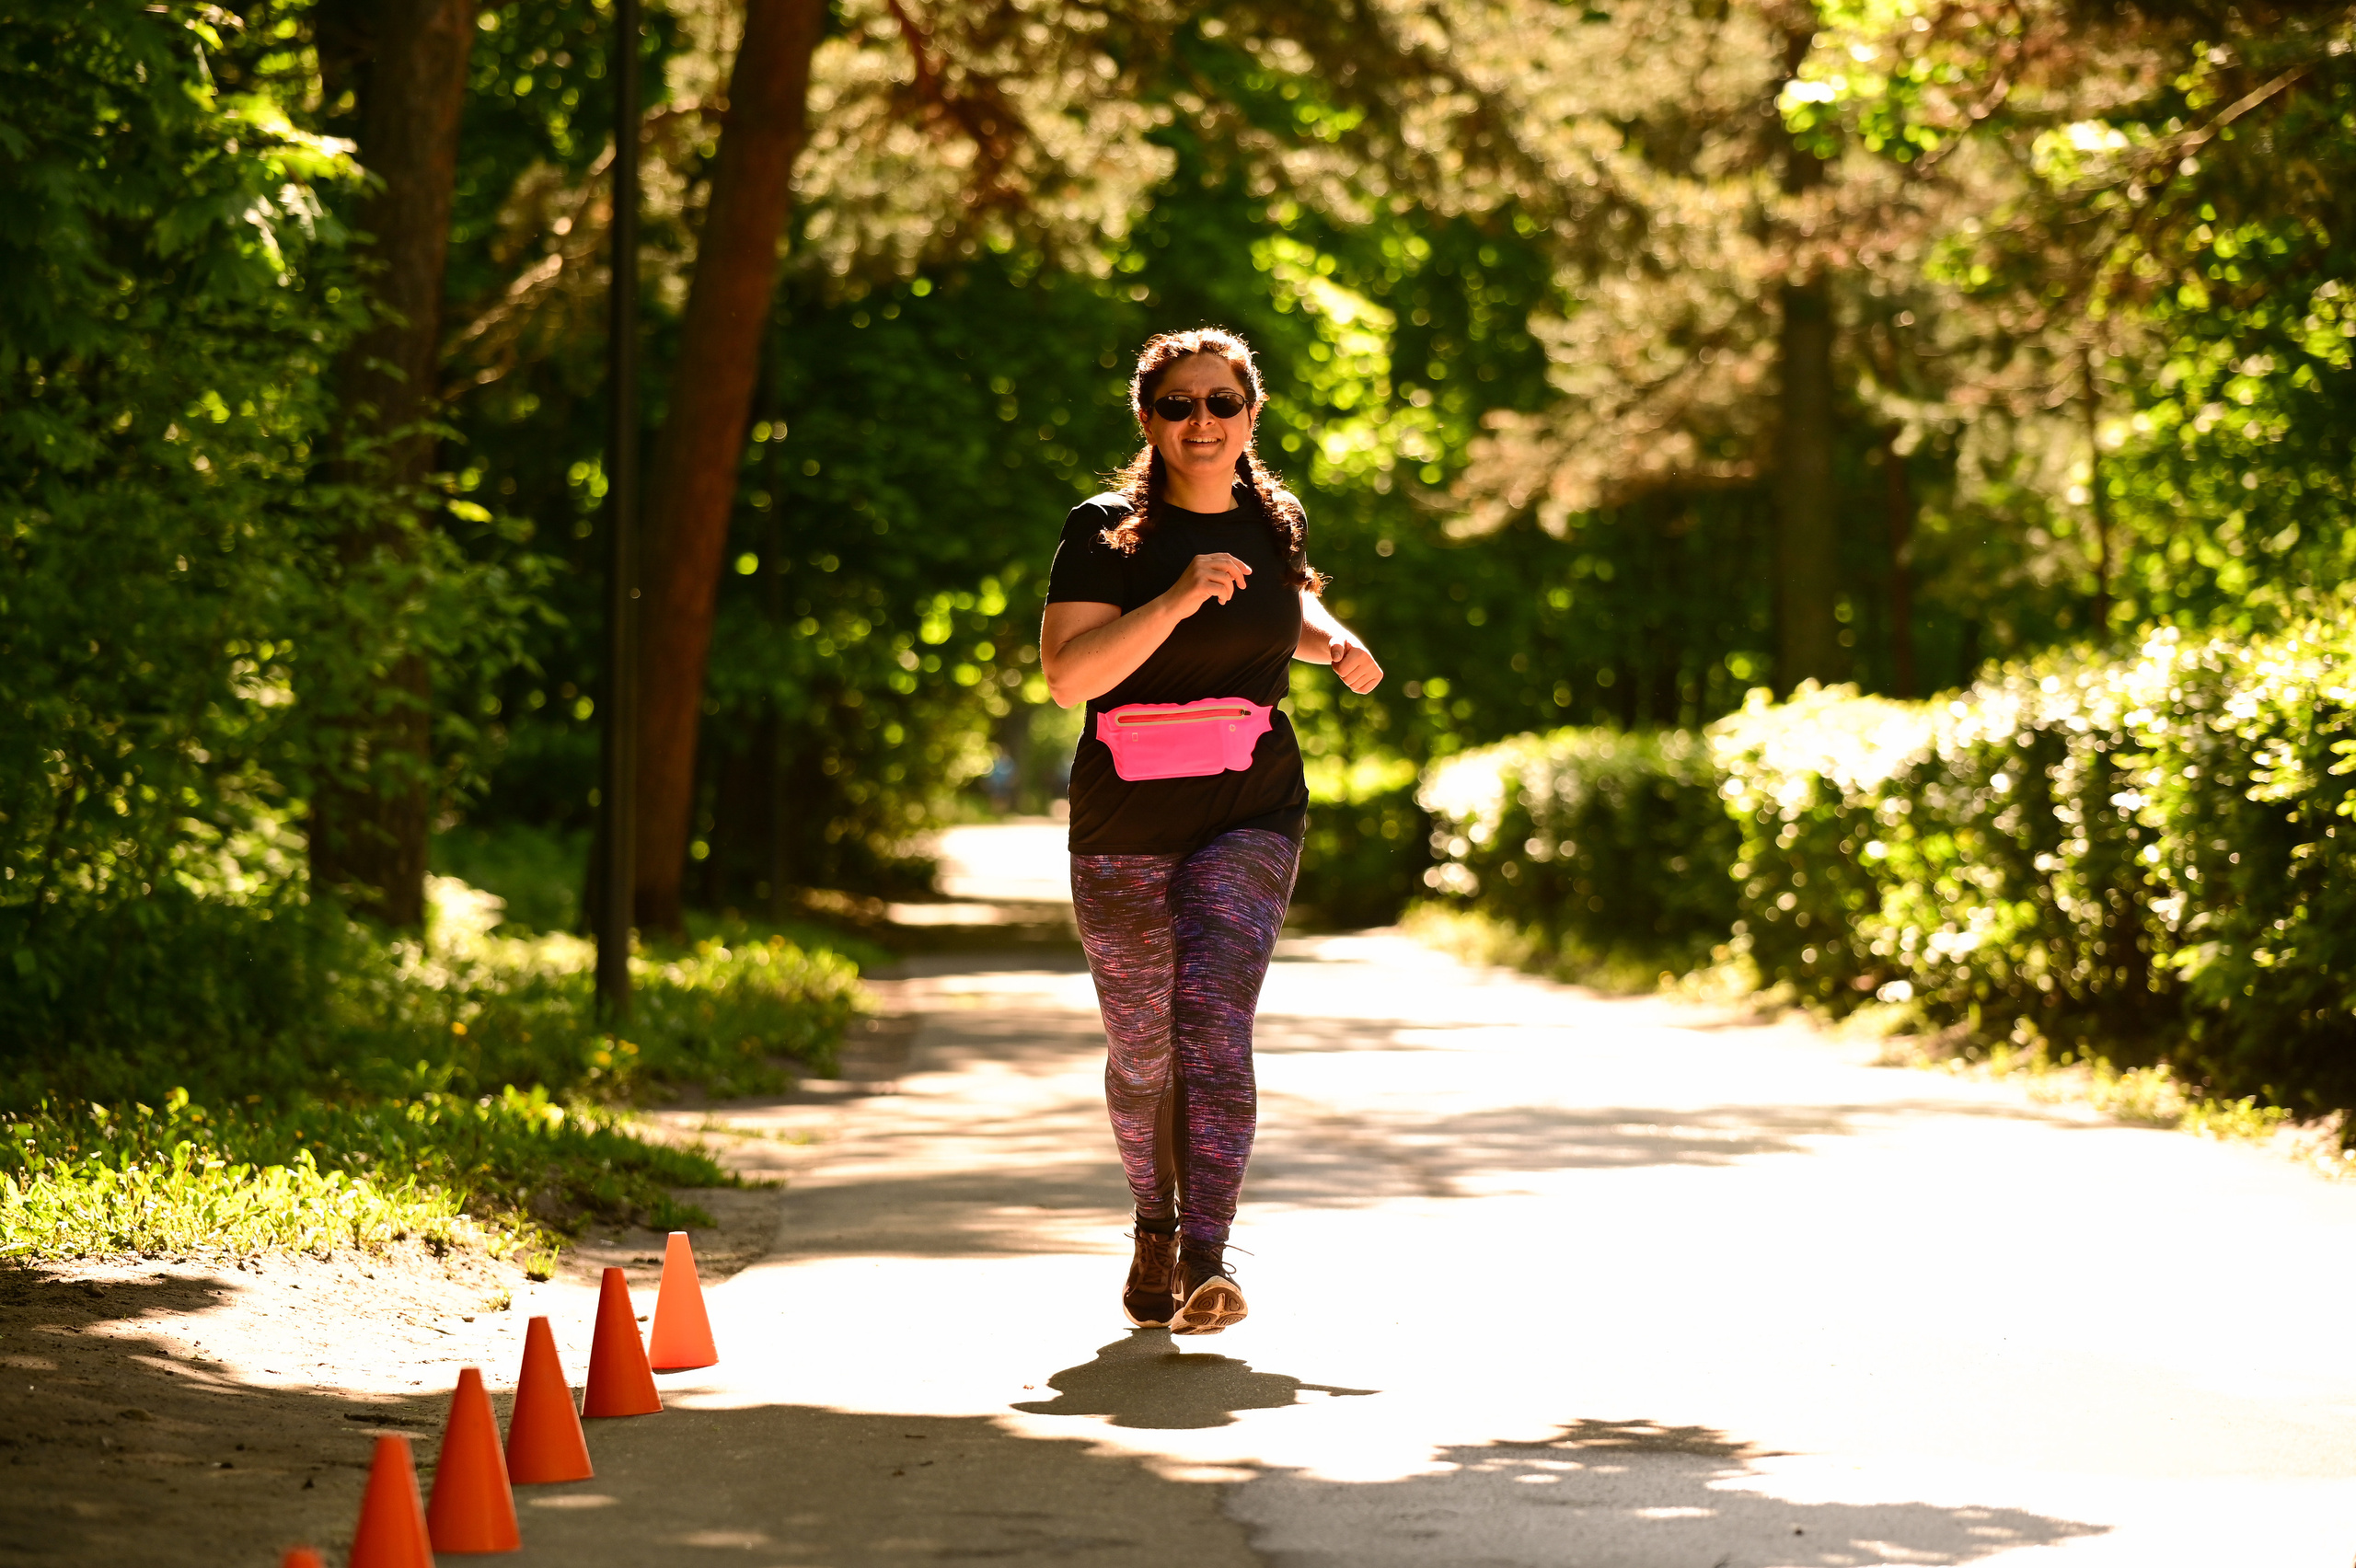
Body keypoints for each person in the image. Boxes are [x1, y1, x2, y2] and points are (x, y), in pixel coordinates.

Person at [1039, 327, 1383, 1335]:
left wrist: (1335, 642)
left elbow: (1279, 609)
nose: (1202, 421)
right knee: (1142, 1051)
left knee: (1214, 1024)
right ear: (1149, 420)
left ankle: (1207, 1259)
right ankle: (1154, 1224)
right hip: (1125, 820)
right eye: (1179, 404)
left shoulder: (1276, 519)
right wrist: (1177, 597)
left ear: (1251, 414)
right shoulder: (1105, 531)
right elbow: (1068, 676)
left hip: (1250, 807)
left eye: (1222, 402)